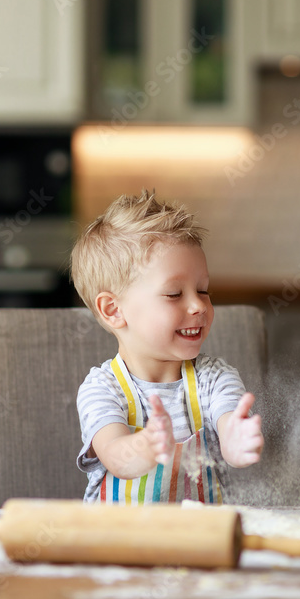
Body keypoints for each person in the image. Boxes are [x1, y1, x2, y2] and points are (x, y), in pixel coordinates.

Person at [71, 190, 264, 503]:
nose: (198, 305)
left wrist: (236, 441)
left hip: (199, 542)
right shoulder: (102, 388)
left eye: (203, 290)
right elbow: (116, 455)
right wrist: (144, 447)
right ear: (113, 310)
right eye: (174, 294)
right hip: (121, 545)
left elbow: (228, 422)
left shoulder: (213, 378)